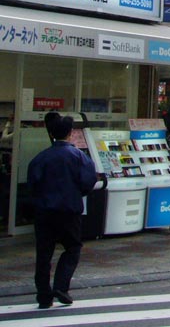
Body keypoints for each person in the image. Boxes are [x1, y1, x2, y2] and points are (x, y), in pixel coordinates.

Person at [27, 115, 98, 310]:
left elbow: (32, 185)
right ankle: (61, 286)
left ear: (51, 134)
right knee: (72, 247)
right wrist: (76, 193)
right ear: (70, 133)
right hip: (69, 209)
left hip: (44, 211)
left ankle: (43, 295)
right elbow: (88, 180)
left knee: (43, 254)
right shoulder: (78, 156)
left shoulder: (41, 158)